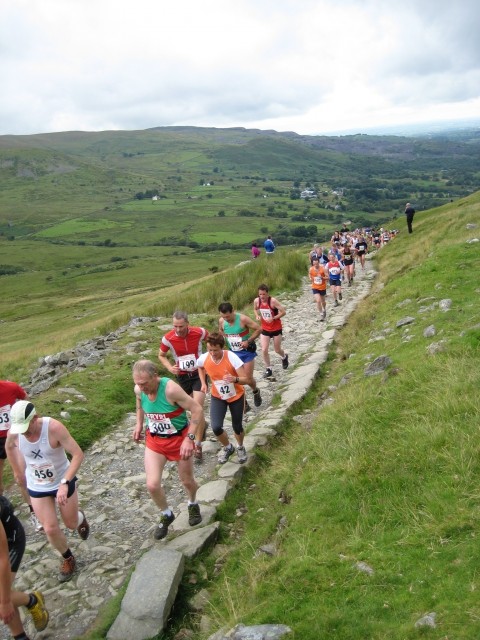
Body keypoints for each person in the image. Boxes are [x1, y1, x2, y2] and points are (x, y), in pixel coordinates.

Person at [5, 401, 90, 583]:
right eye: (21, 430)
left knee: (71, 523)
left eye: (27, 428)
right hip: (38, 485)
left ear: (35, 418)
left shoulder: (53, 427)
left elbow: (77, 454)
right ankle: (68, 557)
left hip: (62, 479)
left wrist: (65, 482)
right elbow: (9, 447)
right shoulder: (16, 433)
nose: (25, 433)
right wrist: (18, 472)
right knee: (50, 528)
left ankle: (80, 517)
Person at [132, 360, 205, 540]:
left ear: (155, 376)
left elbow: (197, 410)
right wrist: (139, 424)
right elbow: (140, 404)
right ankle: (166, 514)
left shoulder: (170, 389)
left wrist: (190, 439)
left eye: (144, 383)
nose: (141, 388)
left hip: (179, 440)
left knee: (187, 481)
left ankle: (193, 503)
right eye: (138, 383)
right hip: (155, 441)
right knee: (152, 484)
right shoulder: (139, 390)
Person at [158, 311, 208, 460]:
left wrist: (208, 358)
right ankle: (201, 426)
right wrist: (169, 368)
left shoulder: (199, 332)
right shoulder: (168, 338)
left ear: (187, 323)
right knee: (189, 408)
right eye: (175, 326)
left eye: (181, 326)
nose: (178, 329)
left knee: (197, 406)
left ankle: (198, 445)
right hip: (182, 376)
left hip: (199, 373)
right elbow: (161, 355)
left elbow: (212, 341)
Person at [197, 333, 251, 465]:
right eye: (210, 350)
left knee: (237, 426)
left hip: (236, 395)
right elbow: (200, 366)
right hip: (218, 396)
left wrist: (234, 379)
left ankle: (240, 447)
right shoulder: (204, 358)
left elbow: (246, 379)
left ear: (222, 347)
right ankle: (228, 447)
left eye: (216, 350)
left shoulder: (231, 357)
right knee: (216, 427)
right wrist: (203, 383)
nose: (213, 353)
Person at [0, 495, 49, 640]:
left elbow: (3, 559)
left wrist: (5, 602)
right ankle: (20, 637)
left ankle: (32, 601)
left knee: (2, 593)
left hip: (10, 542)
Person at [0, 381, 43, 532]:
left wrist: (26, 419)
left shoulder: (10, 387)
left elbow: (25, 398)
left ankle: (35, 512)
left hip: (16, 436)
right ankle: (3, 519)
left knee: (21, 477)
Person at [218, 302, 262, 408]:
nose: (226, 319)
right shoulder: (222, 321)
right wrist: (224, 340)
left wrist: (249, 341)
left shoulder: (243, 319)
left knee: (247, 379)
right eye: (223, 317)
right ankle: (244, 402)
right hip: (233, 353)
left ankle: (255, 391)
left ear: (233, 311)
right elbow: (221, 331)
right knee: (234, 379)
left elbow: (259, 329)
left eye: (228, 316)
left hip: (246, 353)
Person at [253, 284, 288, 378]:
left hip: (276, 328)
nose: (262, 296)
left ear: (267, 293)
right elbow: (255, 309)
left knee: (277, 349)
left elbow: (283, 312)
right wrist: (257, 315)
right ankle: (268, 369)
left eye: (264, 294)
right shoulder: (257, 301)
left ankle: (284, 357)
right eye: (260, 294)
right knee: (264, 349)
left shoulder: (273, 301)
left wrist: (274, 318)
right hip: (265, 328)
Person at [308, 257, 328, 321]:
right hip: (315, 287)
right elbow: (310, 275)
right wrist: (310, 278)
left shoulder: (323, 268)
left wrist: (322, 277)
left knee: (323, 301)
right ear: (313, 263)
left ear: (318, 262)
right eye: (314, 264)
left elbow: (328, 277)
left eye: (317, 264)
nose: (316, 265)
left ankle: (324, 309)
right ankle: (321, 314)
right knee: (318, 301)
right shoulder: (311, 269)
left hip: (322, 287)